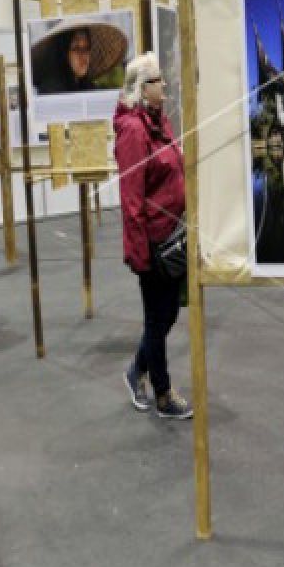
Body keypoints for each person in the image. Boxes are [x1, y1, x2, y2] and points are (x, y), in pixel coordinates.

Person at [114, 52, 192, 420]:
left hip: (173, 234)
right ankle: (162, 394)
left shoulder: (161, 121)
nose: (164, 84)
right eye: (158, 79)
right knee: (156, 320)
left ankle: (135, 370)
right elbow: (131, 196)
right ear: (143, 89)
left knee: (169, 313)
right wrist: (141, 253)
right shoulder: (133, 130)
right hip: (154, 242)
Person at [30, 16, 129, 95]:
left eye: (86, 48)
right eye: (76, 48)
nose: (83, 55)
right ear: (64, 53)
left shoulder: (88, 87)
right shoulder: (51, 90)